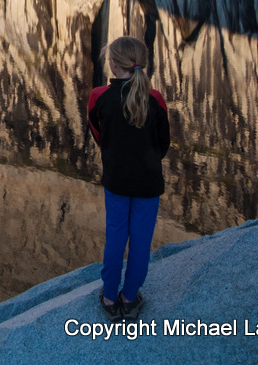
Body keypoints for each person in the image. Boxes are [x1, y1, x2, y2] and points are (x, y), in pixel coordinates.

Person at [87, 35, 170, 321]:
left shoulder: (99, 96)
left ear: (112, 63)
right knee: (141, 241)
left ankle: (110, 298)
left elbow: (98, 133)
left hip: (117, 180)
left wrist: (116, 152)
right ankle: (130, 298)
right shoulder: (155, 99)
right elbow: (163, 143)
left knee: (116, 237)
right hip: (148, 183)